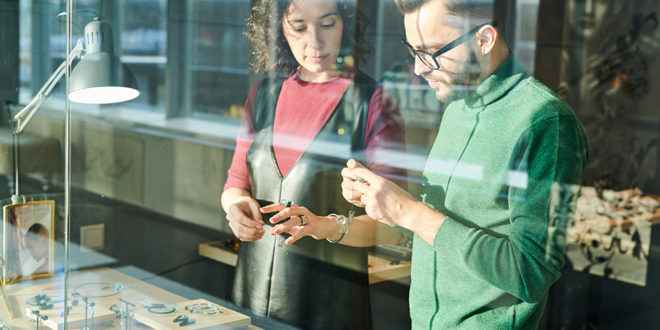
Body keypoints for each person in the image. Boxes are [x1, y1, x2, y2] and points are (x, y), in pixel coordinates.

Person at [271, 0, 590, 328]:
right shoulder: (459, 104)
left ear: (484, 40)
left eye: (431, 51)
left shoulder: (546, 122)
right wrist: (331, 224)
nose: (419, 68)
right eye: (413, 51)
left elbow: (531, 274)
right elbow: (434, 234)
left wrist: (408, 210)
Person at [220, 0, 404, 328]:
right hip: (250, 299)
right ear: (280, 31)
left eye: (327, 24)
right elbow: (235, 183)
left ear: (346, 24)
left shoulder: (373, 102)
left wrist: (324, 226)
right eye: (300, 28)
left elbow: (393, 226)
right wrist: (235, 209)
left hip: (330, 310)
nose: (315, 42)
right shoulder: (263, 94)